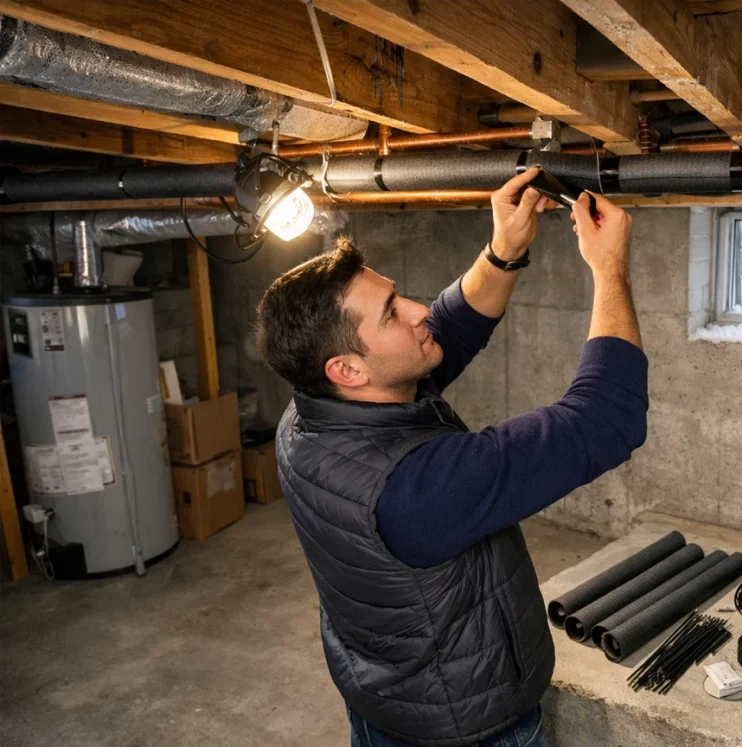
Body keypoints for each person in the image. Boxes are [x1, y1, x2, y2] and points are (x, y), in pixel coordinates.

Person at [255, 168, 648, 747]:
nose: (417, 309)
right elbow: (604, 420)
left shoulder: (314, 413)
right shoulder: (412, 490)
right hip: (468, 728)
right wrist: (609, 268)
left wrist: (504, 250)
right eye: (392, 311)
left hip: (387, 699)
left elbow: (447, 331)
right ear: (348, 370)